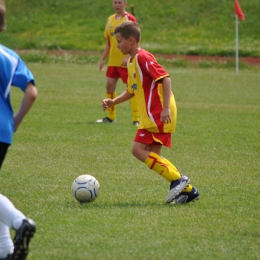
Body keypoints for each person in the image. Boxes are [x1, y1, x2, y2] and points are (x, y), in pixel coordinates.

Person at [102, 20, 200, 204]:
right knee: (154, 155)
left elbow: (165, 78)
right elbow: (132, 90)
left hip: (158, 112)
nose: (117, 45)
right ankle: (188, 191)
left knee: (138, 150)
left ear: (131, 40)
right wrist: (113, 101)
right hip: (152, 113)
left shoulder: (143, 57)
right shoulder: (132, 61)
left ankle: (179, 180)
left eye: (120, 41)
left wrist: (164, 109)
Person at [0, 1, 37, 259]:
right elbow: (32, 93)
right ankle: (5, 250)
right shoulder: (10, 57)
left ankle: (20, 222)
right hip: (3, 131)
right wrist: (15, 121)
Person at [96, 0, 139, 126]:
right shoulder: (110, 19)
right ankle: (110, 117)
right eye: (115, 2)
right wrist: (103, 58)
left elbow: (136, 40)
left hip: (126, 62)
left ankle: (136, 119)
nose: (117, 5)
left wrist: (129, 57)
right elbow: (109, 42)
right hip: (113, 62)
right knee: (109, 86)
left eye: (119, 2)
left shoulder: (130, 18)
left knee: (132, 89)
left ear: (125, 3)